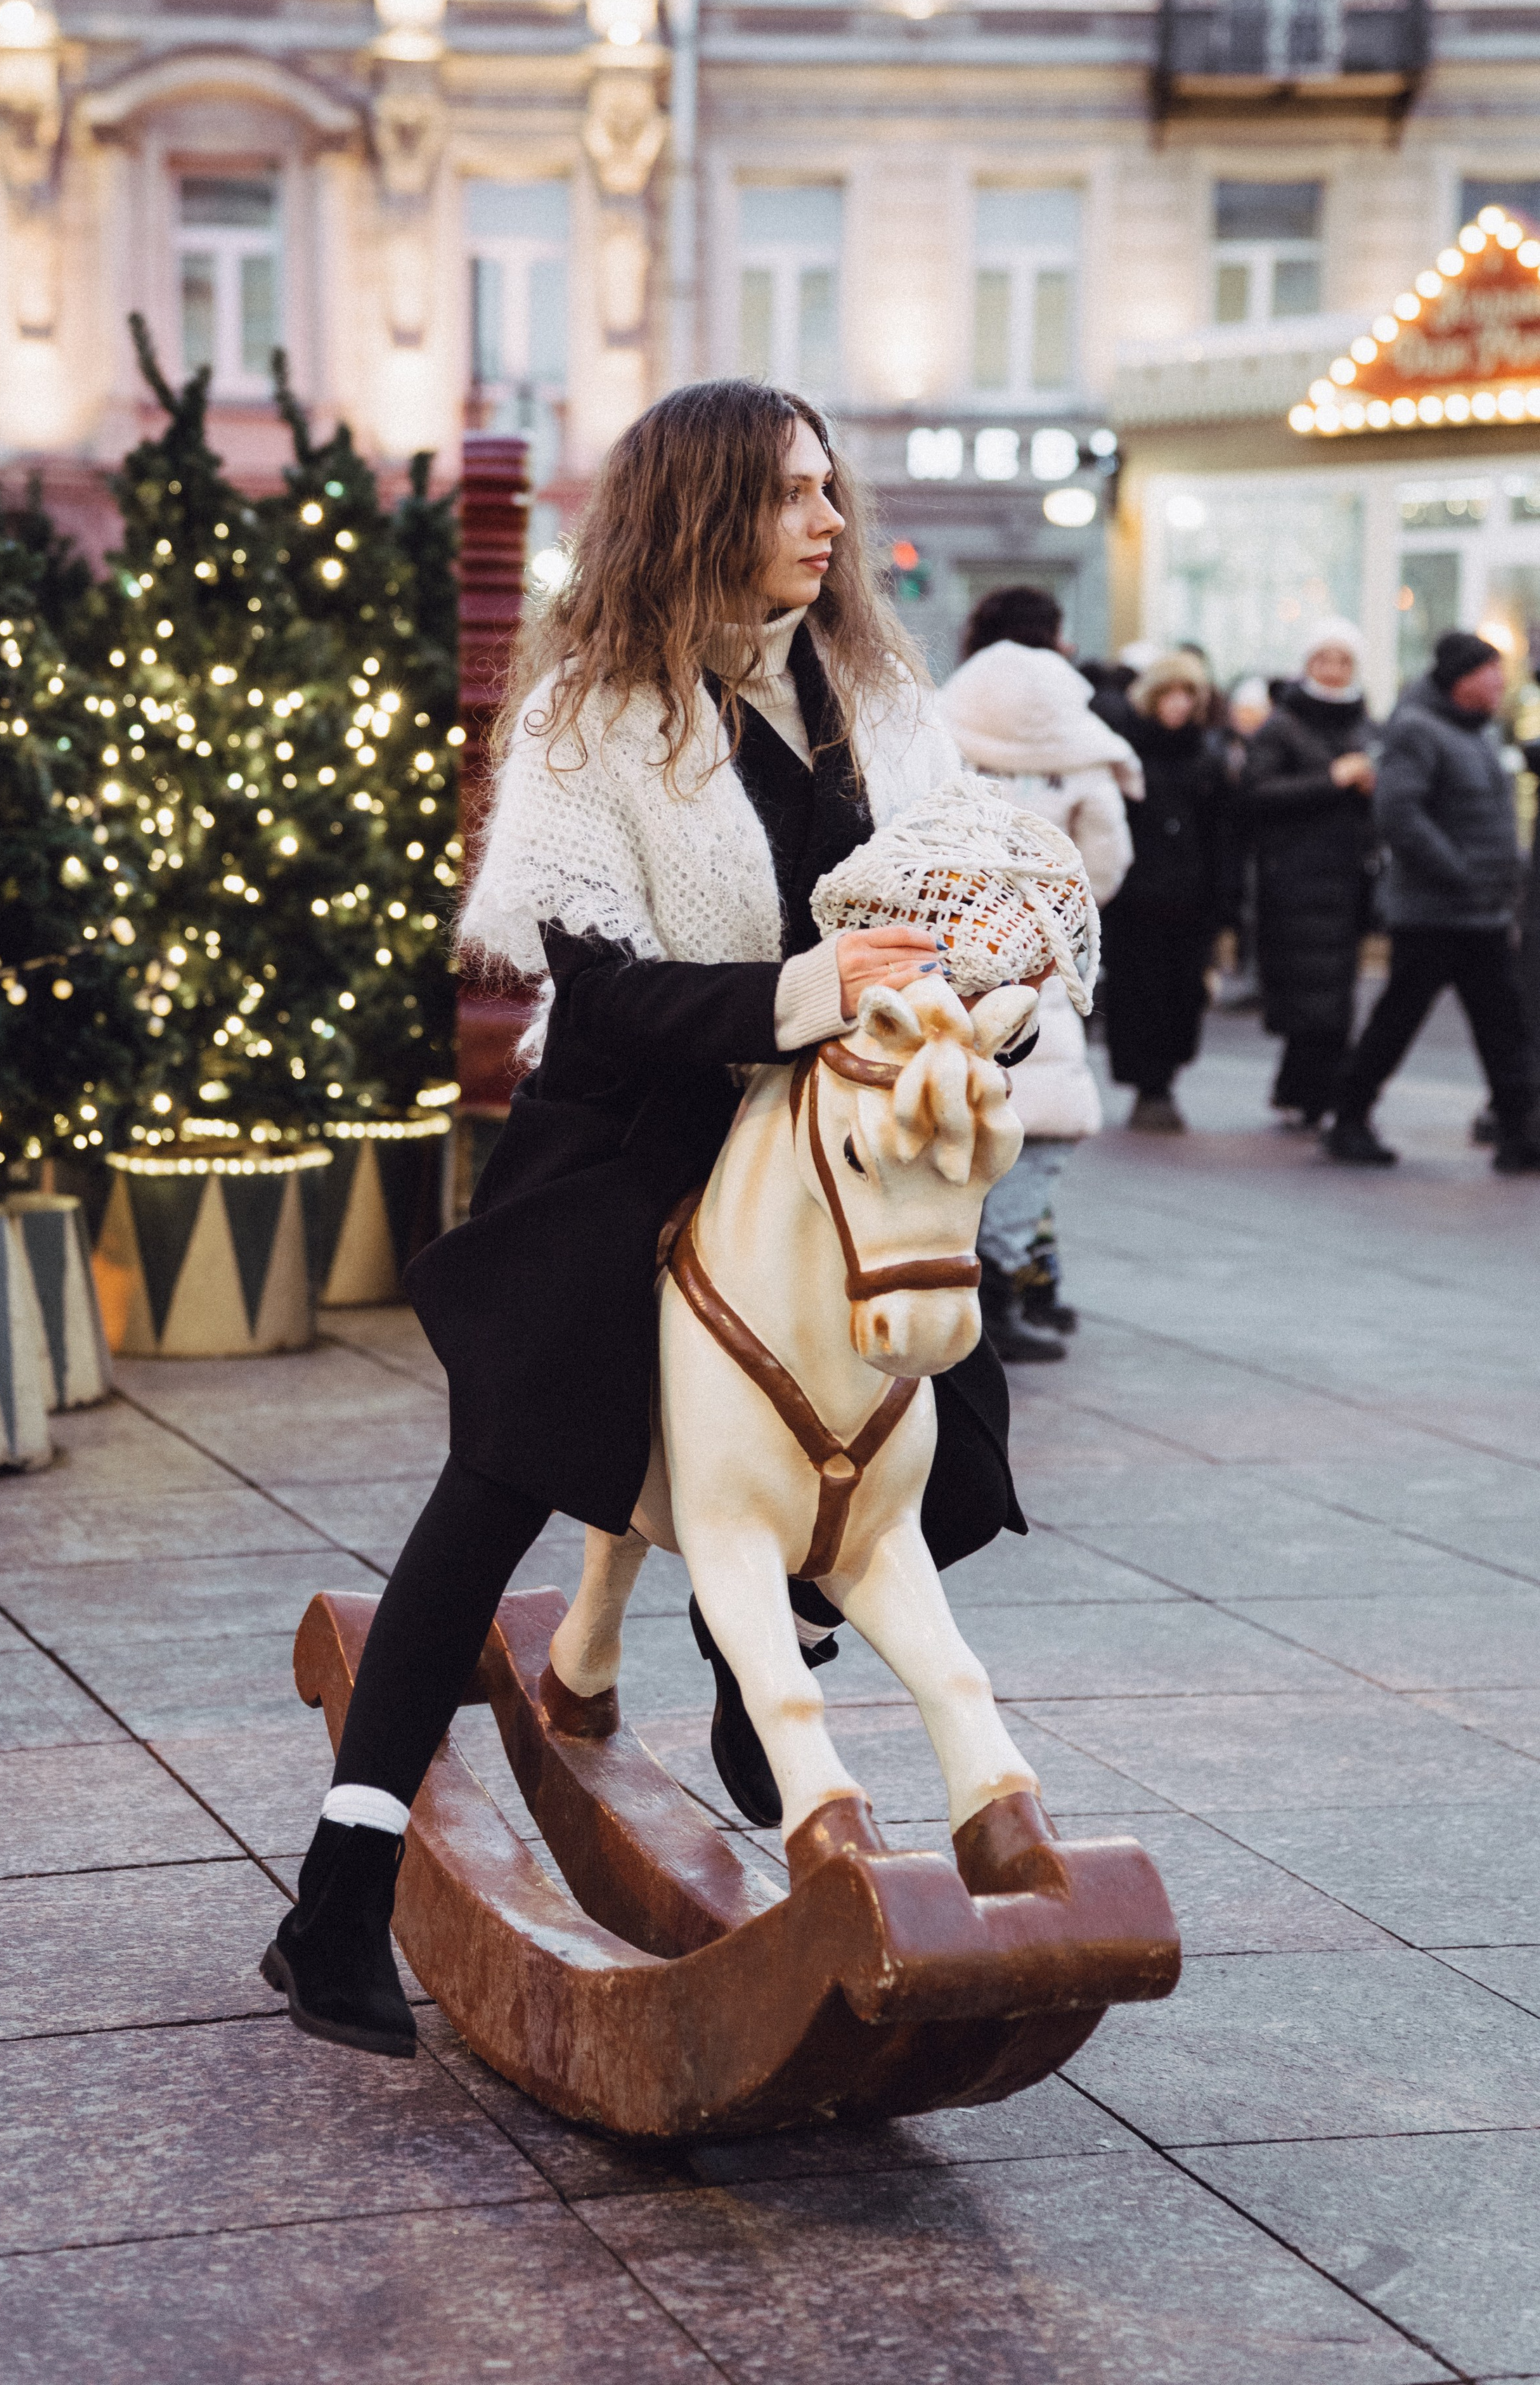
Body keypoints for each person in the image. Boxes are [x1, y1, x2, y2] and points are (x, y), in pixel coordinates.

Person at [263, 382, 1034, 2057]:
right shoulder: (586, 718)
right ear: (697, 507)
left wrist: (1000, 998)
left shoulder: (879, 702)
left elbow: (968, 901)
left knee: (950, 1429)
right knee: (505, 1473)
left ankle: (765, 1620)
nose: (829, 523)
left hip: (820, 1141)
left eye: (831, 490)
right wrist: (809, 983)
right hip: (623, 1135)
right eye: (791, 495)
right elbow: (594, 995)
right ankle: (337, 1888)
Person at [938, 634, 1141, 1360]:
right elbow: (1107, 863)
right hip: (1042, 961)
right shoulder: (1082, 760)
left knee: (951, 1121)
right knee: (1040, 1124)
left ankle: (959, 1281)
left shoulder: (938, 741)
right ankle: (997, 1291)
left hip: (947, 955)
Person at [1326, 631, 1540, 1172]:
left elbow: (1488, 813)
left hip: (1484, 912)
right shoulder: (1417, 730)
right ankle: (1349, 1118)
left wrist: (1506, 868)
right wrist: (1460, 871)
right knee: (1400, 1017)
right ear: (1463, 679)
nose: (1501, 683)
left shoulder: (1481, 733)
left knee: (1503, 1024)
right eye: (1492, 672)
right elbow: (1399, 814)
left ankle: (1519, 1133)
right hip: (1432, 914)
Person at [1243, 619, 1380, 1127]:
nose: (1335, 670)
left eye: (1345, 661)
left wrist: (1372, 789)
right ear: (1307, 664)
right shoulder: (1282, 725)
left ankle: (1307, 1092)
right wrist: (1332, 780)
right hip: (1296, 878)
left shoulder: (1367, 723)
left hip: (1349, 879)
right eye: (1325, 659)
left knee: (1336, 990)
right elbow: (1257, 795)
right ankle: (1316, 1095)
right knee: (1310, 994)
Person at [1098, 649, 1230, 1131]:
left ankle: (1164, 1079)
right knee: (1137, 992)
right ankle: (1148, 1086)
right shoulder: (1127, 756)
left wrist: (1223, 900)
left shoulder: (1207, 758)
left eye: (1187, 695)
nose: (1177, 704)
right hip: (1135, 898)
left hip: (1190, 899)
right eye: (1169, 693)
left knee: (1183, 994)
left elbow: (1221, 834)